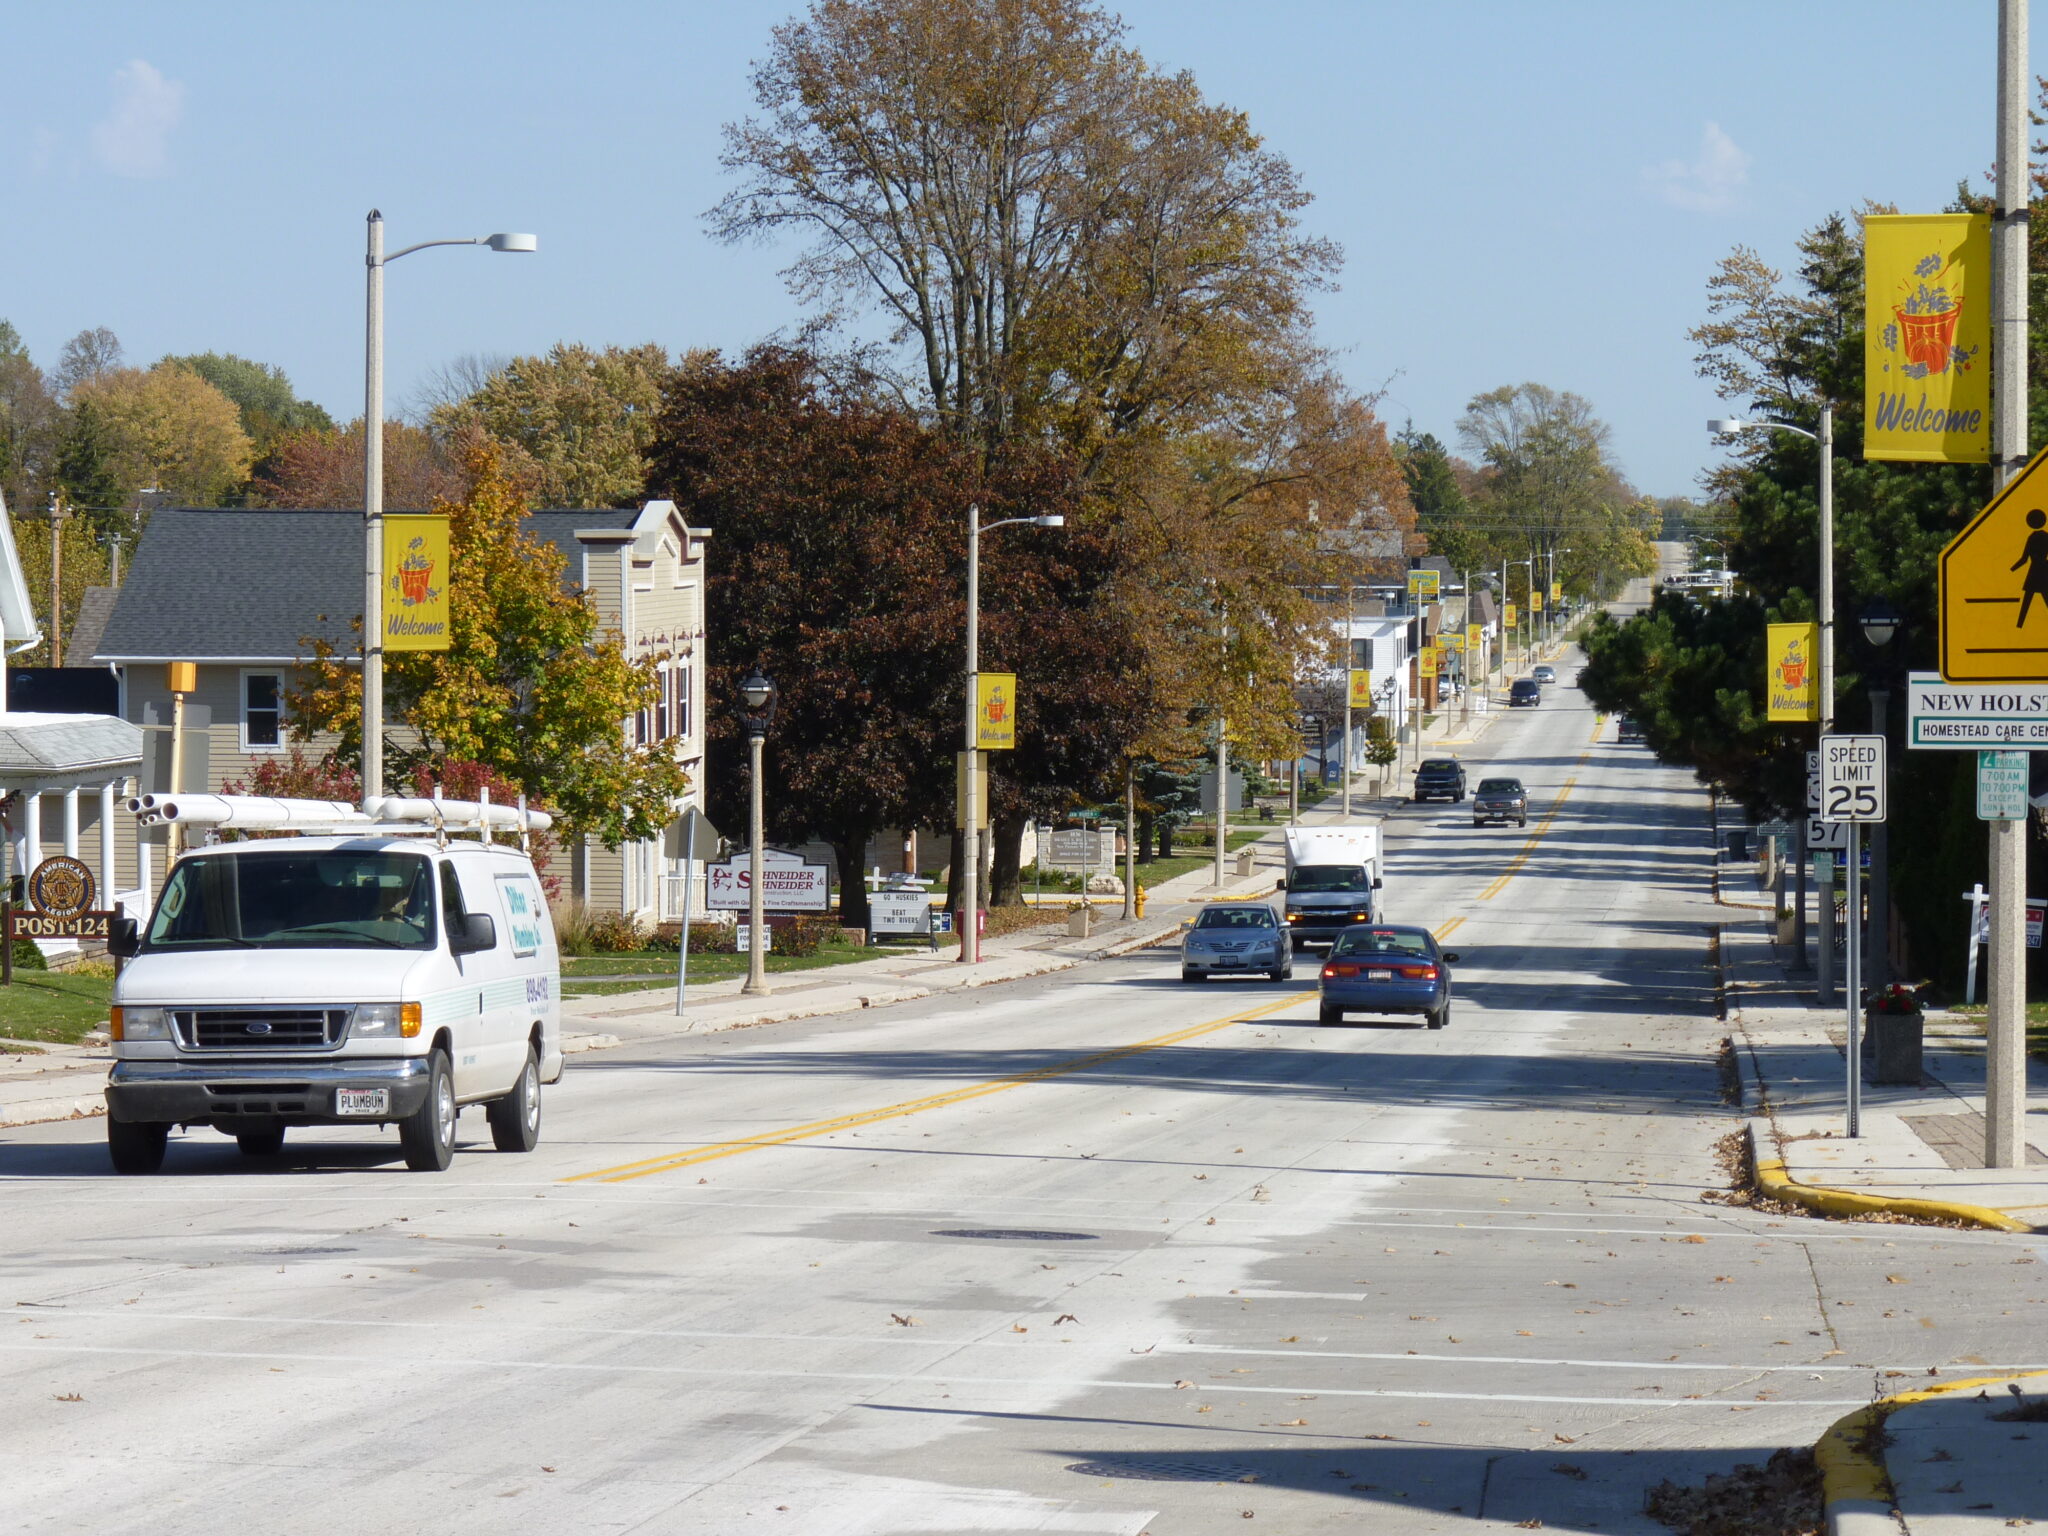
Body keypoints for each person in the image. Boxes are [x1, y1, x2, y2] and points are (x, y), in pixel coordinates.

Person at [2012, 509, 2048, 626]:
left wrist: (2011, 570)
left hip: (2034, 571)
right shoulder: (2046, 537)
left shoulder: (2032, 538)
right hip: (2044, 570)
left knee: (2027, 601)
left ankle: (2019, 625)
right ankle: (2019, 625)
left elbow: (2024, 559)